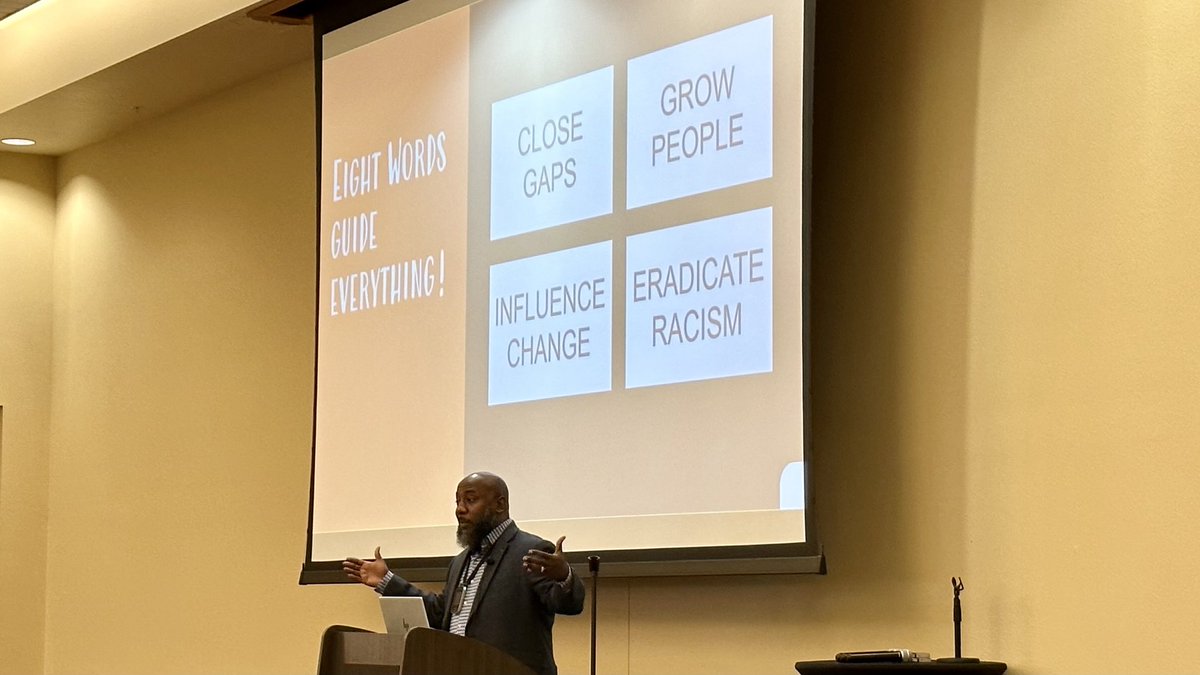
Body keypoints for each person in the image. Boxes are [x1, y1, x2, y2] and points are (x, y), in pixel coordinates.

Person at [342, 472, 584, 675]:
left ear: (499, 504)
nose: (460, 509)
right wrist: (387, 581)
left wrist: (564, 576)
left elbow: (568, 603)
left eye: (470, 500)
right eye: (457, 501)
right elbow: (441, 613)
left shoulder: (530, 551)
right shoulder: (461, 562)